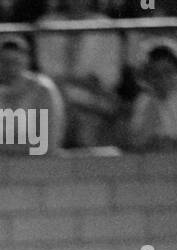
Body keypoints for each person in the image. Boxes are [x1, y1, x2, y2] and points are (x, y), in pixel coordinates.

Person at [35, 0, 122, 148]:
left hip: (94, 103)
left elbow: (109, 78)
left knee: (88, 129)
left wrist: (73, 84)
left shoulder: (106, 26)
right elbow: (48, 75)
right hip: (56, 101)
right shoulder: (46, 24)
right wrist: (73, 87)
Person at [0, 35, 66, 156]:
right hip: (2, 171)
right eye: (3, 62)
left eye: (14, 62)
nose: (9, 68)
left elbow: (47, 146)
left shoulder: (43, 91)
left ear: (27, 60)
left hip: (41, 170)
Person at [127, 41, 177, 151]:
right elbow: (138, 142)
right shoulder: (144, 100)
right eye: (156, 74)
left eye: (168, 72)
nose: (163, 79)